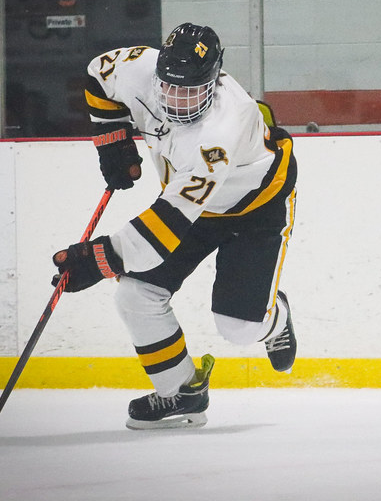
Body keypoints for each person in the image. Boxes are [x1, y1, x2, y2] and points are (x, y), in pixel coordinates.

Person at [51, 22, 298, 430]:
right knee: (135, 294)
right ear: (159, 70)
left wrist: (96, 260)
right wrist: (111, 138)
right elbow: (97, 76)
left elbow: (163, 229)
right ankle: (181, 393)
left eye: (192, 90)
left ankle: (274, 316)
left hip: (255, 207)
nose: (178, 100)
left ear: (214, 81)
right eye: (170, 86)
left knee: (240, 328)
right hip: (188, 202)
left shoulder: (221, 130)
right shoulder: (138, 68)